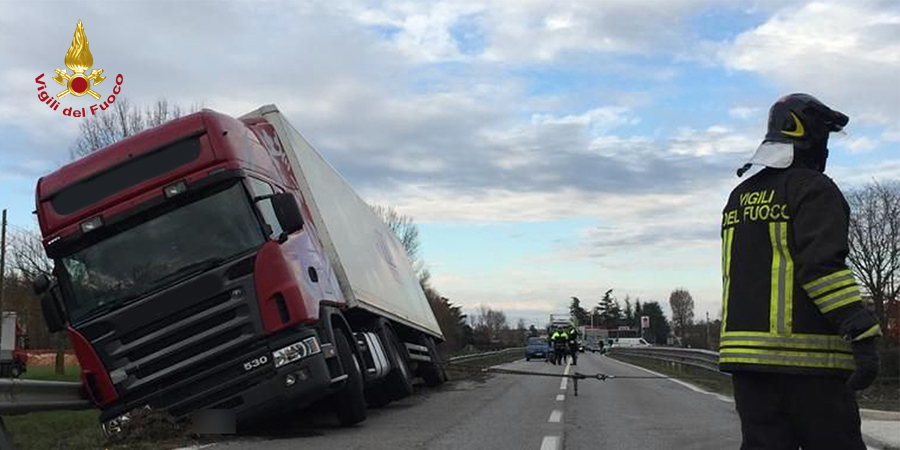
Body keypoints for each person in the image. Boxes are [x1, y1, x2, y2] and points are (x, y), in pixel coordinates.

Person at [720, 93, 882, 450]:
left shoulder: (738, 197)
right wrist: (861, 331)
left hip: (747, 364)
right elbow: (822, 269)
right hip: (811, 365)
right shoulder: (813, 189)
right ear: (809, 136)